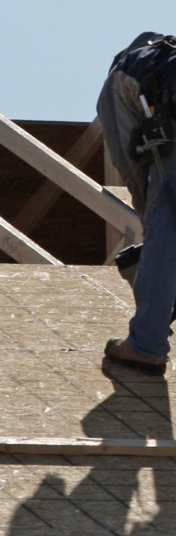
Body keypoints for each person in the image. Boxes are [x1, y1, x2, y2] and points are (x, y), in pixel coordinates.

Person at [97, 31, 176, 376]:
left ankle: (146, 345)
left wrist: (151, 220)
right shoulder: (154, 66)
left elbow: (134, 171)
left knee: (165, 225)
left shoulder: (120, 78)